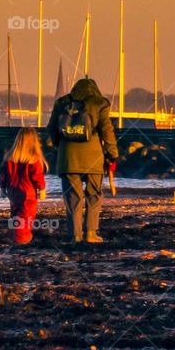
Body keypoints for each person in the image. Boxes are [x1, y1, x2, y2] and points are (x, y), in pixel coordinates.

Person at [47, 76, 118, 244]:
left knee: (73, 197)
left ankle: (75, 235)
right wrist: (112, 154)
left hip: (68, 158)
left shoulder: (62, 103)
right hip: (94, 158)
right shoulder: (99, 103)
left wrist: (60, 145)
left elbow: (51, 128)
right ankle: (91, 233)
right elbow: (107, 132)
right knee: (94, 195)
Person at [0, 128, 47, 245]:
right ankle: (22, 238)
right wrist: (42, 189)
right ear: (34, 142)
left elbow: (3, 175)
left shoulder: (10, 158)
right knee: (26, 216)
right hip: (27, 192)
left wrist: (2, 188)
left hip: (12, 191)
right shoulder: (33, 160)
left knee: (15, 213)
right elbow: (37, 176)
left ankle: (13, 235)